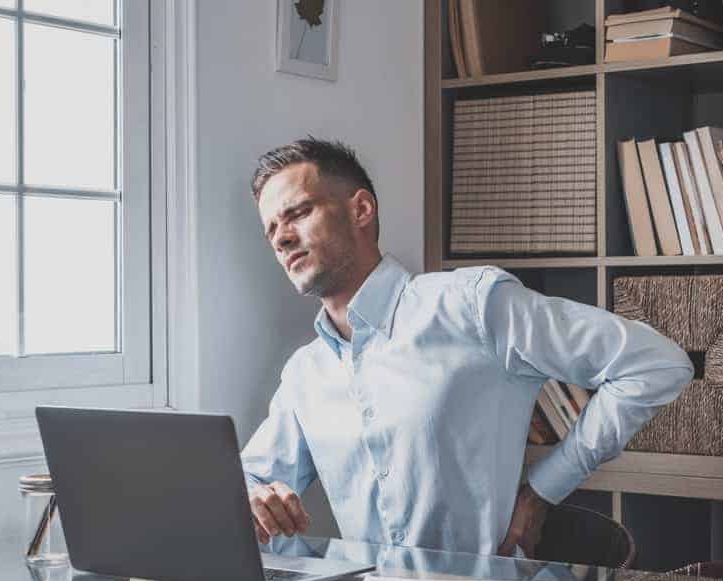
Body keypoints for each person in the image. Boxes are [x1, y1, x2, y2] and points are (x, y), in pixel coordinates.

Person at [242, 137, 693, 557]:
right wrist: (256, 496)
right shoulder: (306, 374)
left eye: (298, 213)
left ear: (361, 210)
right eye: (271, 230)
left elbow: (657, 364)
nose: (282, 238)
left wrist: (542, 491)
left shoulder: (472, 305)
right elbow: (249, 478)